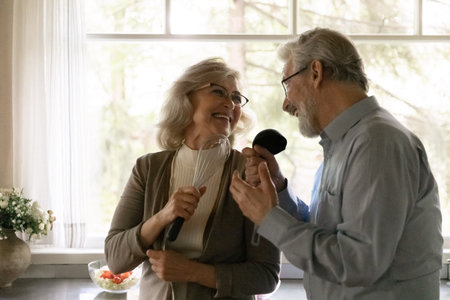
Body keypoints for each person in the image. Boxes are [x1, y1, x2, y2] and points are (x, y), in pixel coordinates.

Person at [230, 28, 443, 299]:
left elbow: (358, 262)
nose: (286, 103)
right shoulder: (344, 143)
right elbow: (324, 233)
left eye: (287, 84)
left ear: (316, 73)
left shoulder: (377, 143)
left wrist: (268, 218)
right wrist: (278, 187)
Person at [104, 57, 280, 300]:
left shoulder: (250, 173)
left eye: (236, 98)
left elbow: (266, 275)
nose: (230, 103)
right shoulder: (148, 168)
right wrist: (162, 216)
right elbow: (115, 259)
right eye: (218, 91)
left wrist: (193, 272)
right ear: (186, 99)